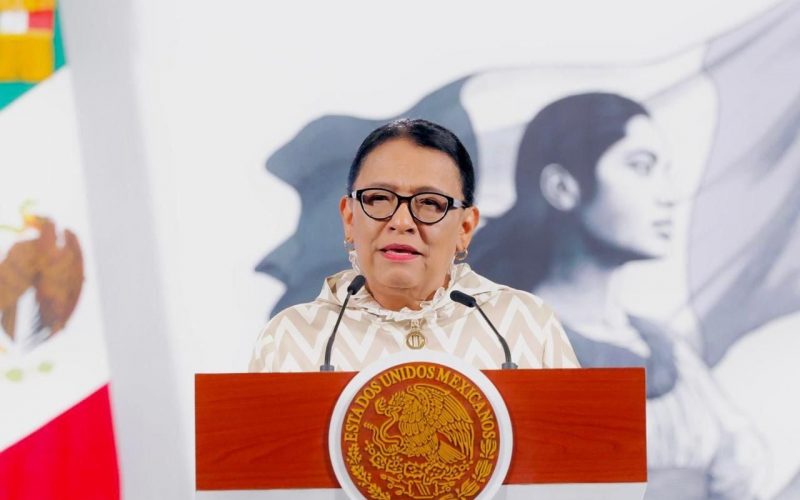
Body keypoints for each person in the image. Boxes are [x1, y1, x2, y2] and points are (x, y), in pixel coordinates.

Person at [471, 93, 768, 500]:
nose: (667, 194)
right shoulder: (511, 342)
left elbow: (740, 474)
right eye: (641, 167)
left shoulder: (665, 347)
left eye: (665, 171)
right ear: (562, 187)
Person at [249, 118, 579, 373]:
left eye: (430, 203)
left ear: (465, 227)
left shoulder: (522, 325)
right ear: (349, 218)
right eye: (379, 198)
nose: (402, 221)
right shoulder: (292, 337)